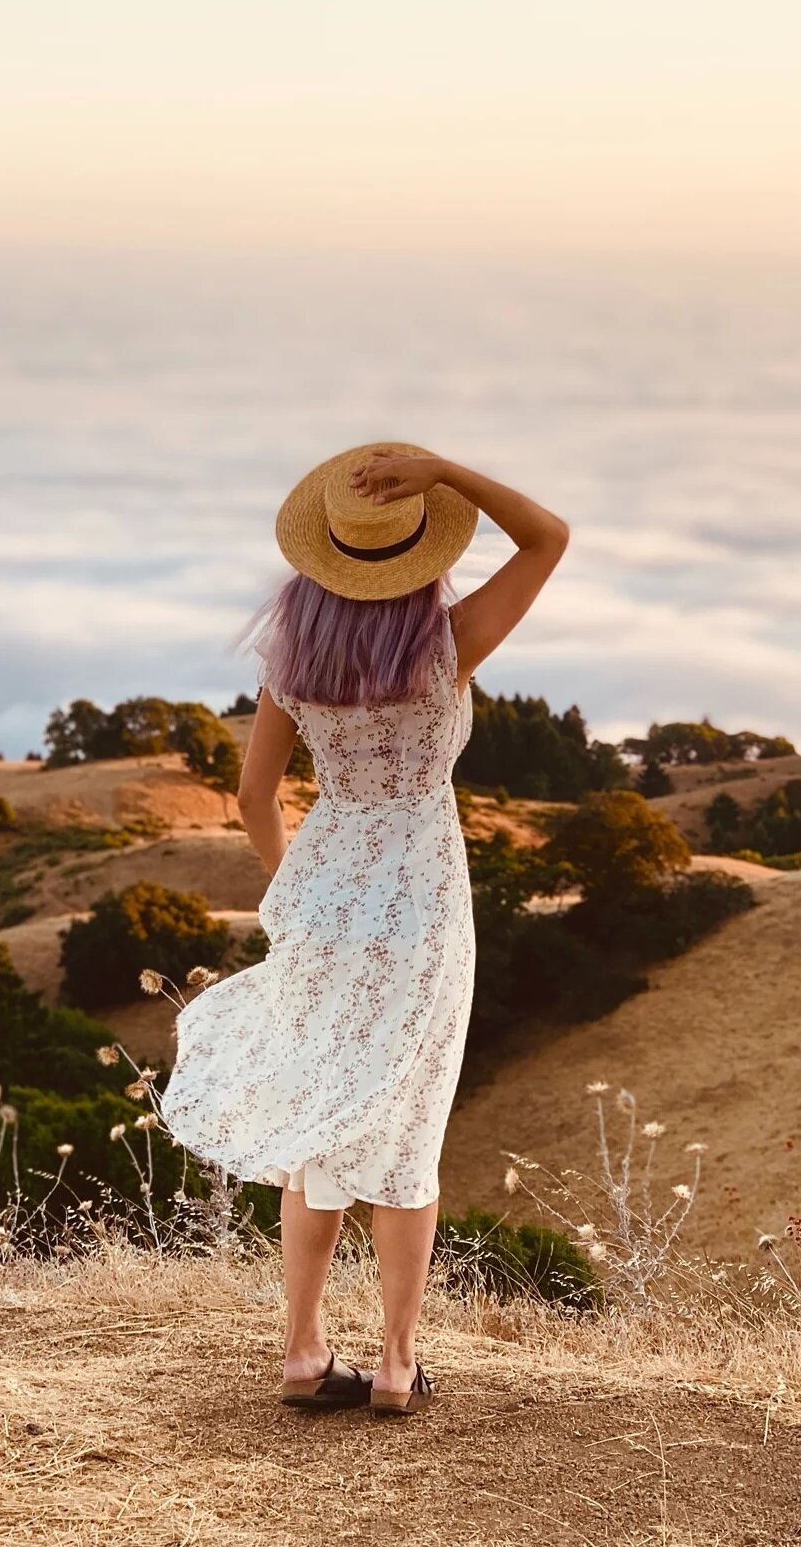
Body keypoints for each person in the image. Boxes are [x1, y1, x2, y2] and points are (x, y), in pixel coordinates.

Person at [160, 441, 568, 1416]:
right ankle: (394, 1364)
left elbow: (254, 795)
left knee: (323, 1126)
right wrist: (449, 473)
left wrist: (298, 894)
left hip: (328, 894)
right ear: (423, 559)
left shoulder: (292, 665)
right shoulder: (446, 648)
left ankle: (303, 1354)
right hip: (425, 899)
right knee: (408, 1131)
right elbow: (548, 538)